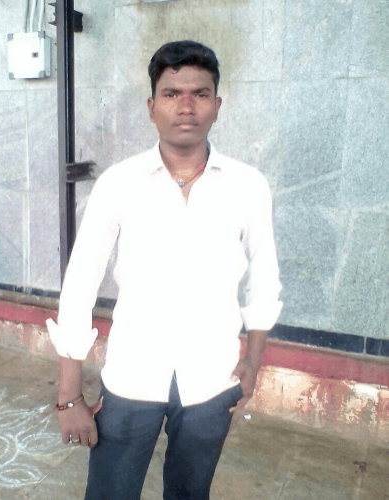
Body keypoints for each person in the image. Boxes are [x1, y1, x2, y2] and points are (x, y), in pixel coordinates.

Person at [47, 40, 282, 500]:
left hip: (212, 379)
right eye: (172, 94)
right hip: (133, 374)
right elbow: (79, 285)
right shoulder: (119, 183)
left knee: (190, 493)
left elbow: (264, 277)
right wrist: (69, 396)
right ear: (152, 107)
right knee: (110, 493)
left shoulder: (249, 186)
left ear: (217, 106)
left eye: (200, 93)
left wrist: (253, 362)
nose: (186, 106)